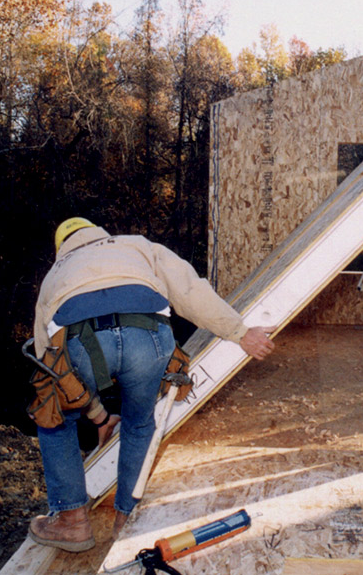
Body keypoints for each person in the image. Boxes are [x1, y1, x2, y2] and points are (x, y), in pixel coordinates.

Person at [28, 217, 276, 552]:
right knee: (140, 423)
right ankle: (126, 520)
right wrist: (240, 333)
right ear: (101, 234)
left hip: (82, 341)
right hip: (148, 337)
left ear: (62, 249)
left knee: (55, 418)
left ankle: (72, 522)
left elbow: (52, 369)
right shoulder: (137, 245)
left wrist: (97, 416)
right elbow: (189, 290)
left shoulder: (55, 274)